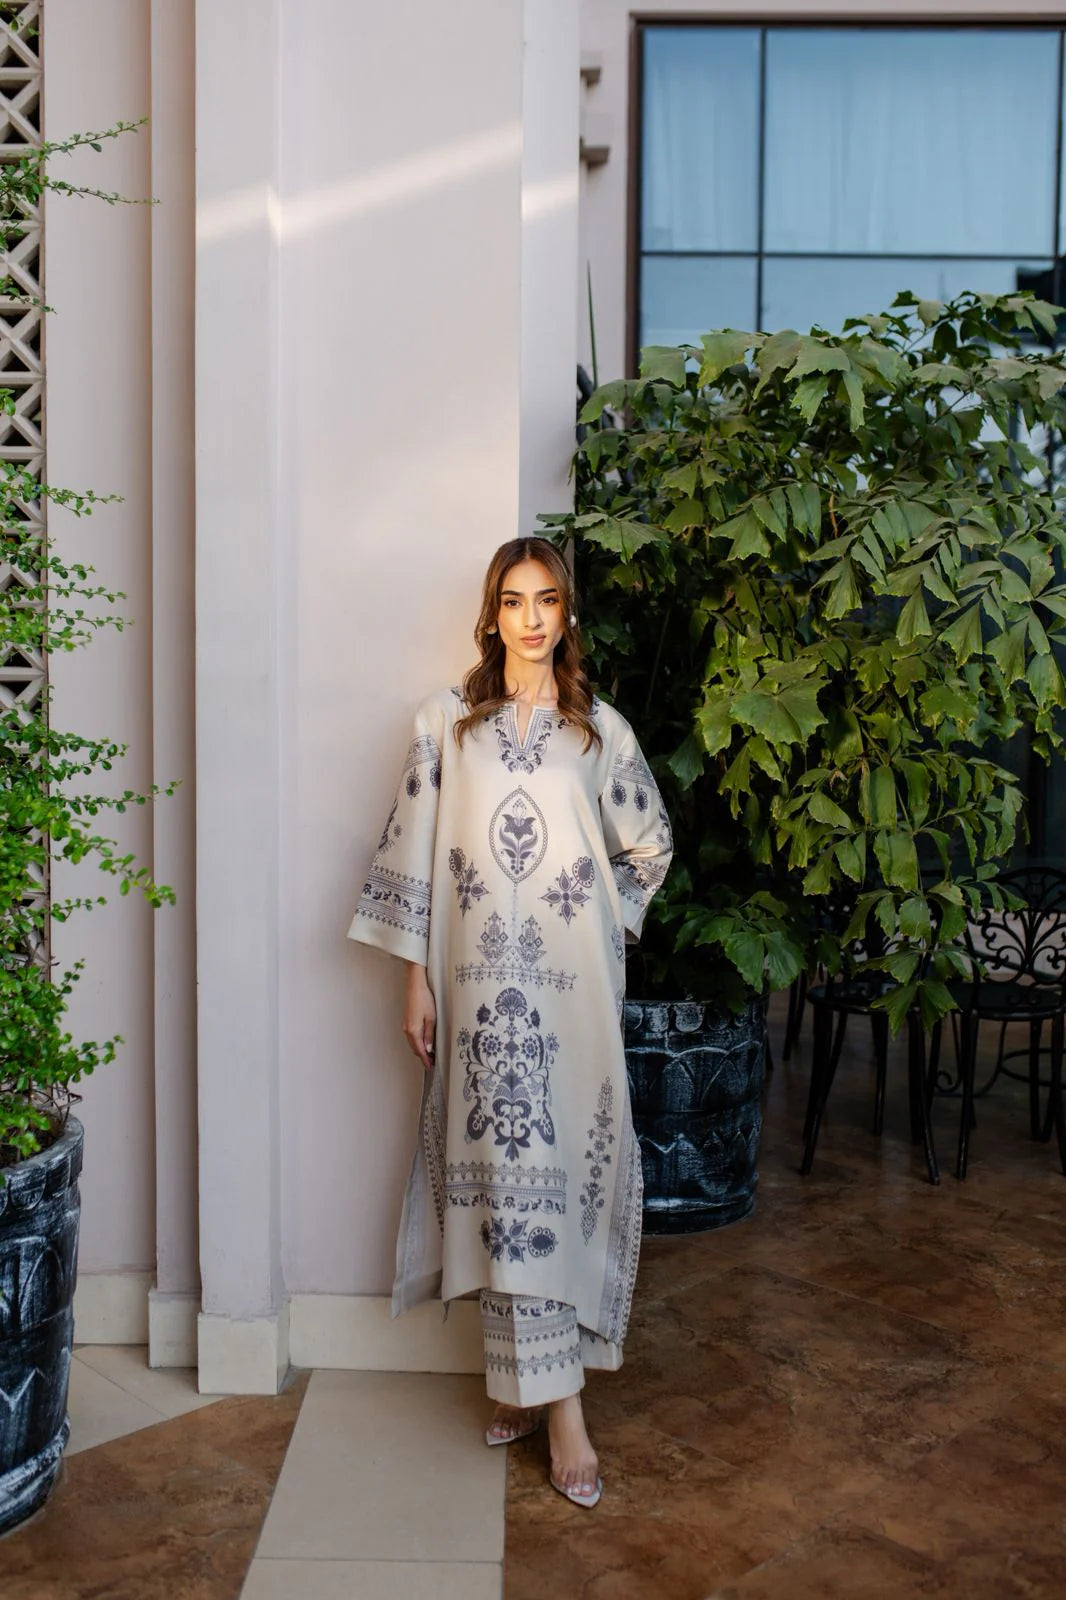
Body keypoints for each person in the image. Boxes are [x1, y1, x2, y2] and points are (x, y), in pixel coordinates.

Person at [347, 536, 672, 1509]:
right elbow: (412, 854)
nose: (532, 619)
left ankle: (545, 1397)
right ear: (491, 614)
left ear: (567, 613)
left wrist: (599, 925)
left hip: (571, 999)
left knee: (560, 1176)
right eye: (514, 601)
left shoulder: (598, 733)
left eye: (548, 601)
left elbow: (649, 846)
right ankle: (541, 1397)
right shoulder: (446, 723)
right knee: (499, 1178)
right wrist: (414, 981)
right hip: (479, 996)